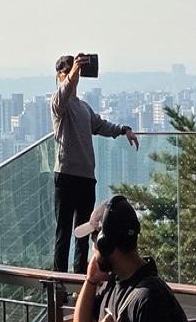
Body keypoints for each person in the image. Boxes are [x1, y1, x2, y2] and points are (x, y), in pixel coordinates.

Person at [51, 54, 139, 273]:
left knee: (83, 232)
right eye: (69, 71)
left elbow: (100, 125)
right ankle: (59, 283)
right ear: (60, 75)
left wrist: (122, 130)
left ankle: (81, 280)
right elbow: (62, 96)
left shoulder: (83, 107)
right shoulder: (58, 103)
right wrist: (71, 75)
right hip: (66, 174)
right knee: (63, 233)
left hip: (86, 177)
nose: (75, 75)